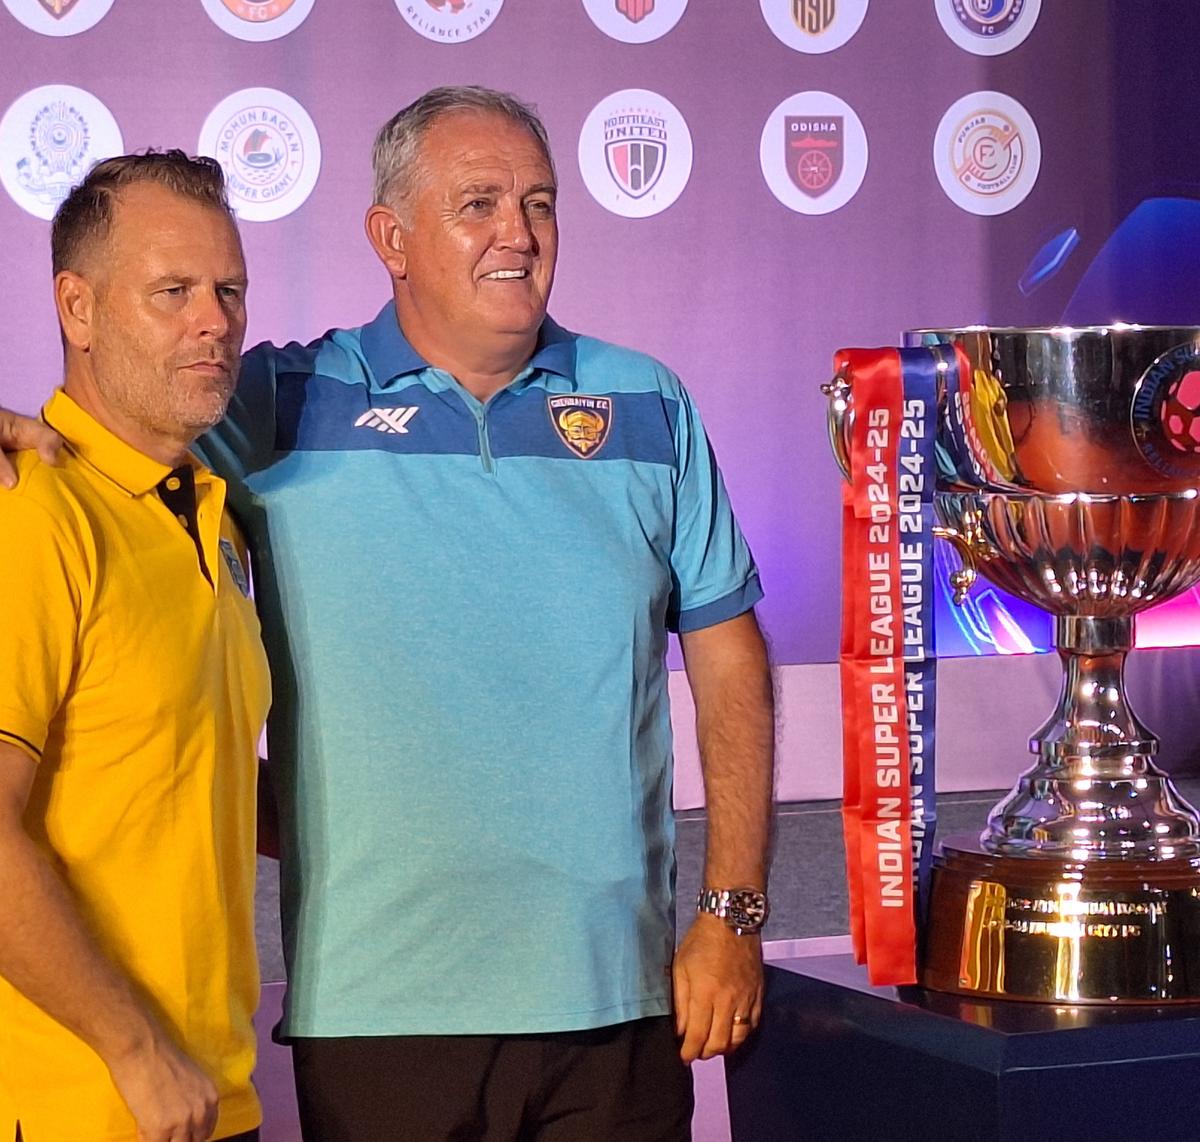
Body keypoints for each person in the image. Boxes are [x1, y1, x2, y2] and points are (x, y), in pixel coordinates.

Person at [2, 87, 774, 1142]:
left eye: (539, 203)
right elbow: (113, 418)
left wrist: (733, 911)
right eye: (479, 203)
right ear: (390, 238)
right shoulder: (273, 400)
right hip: (374, 1018)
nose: (518, 232)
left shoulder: (649, 402)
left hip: (617, 1004)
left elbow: (730, 661)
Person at [0, 153, 269, 1142]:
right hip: (85, 1106)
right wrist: (132, 1047)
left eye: (228, 289)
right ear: (77, 307)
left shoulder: (210, 517)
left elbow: (186, 778)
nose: (215, 320)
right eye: (172, 291)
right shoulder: (28, 511)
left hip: (203, 1096)